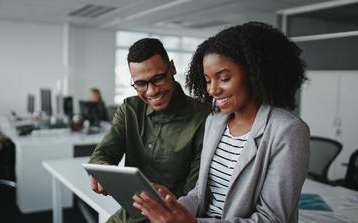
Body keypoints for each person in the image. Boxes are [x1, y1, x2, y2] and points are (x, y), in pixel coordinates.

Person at [132, 21, 310, 222]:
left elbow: (273, 219)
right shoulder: (215, 122)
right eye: (208, 80)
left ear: (254, 74)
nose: (212, 90)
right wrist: (172, 207)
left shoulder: (287, 131)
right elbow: (201, 194)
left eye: (224, 78)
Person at [89, 38, 210, 222]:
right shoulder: (130, 109)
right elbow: (102, 154)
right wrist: (101, 168)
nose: (151, 91)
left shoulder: (203, 119)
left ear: (172, 68)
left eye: (158, 78)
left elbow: (195, 196)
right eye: (141, 84)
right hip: (130, 214)